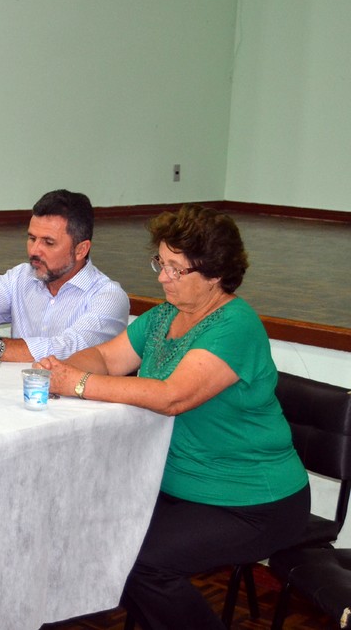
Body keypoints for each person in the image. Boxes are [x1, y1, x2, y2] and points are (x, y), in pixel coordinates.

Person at [36, 204, 309, 630]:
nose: (162, 277)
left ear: (216, 274)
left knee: (140, 561)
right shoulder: (166, 315)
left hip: (253, 501)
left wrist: (78, 383)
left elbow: (172, 397)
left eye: (176, 270)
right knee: (96, 534)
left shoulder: (235, 325)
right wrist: (71, 368)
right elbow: (108, 356)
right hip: (180, 486)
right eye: (160, 264)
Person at [0, 189, 129, 361]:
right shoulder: (21, 277)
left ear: (81, 250)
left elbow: (69, 349)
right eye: (32, 238)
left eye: (48, 242)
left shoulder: (108, 296)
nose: (34, 250)